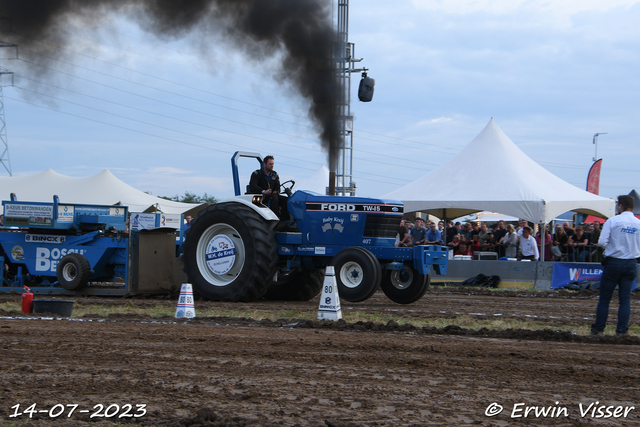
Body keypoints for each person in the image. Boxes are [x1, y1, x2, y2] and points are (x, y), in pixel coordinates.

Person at [591, 195, 640, 336]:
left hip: (614, 262)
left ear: (620, 206)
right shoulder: (638, 223)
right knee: (625, 300)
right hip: (631, 263)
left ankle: (598, 329)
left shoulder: (613, 221)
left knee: (605, 299)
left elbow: (601, 242)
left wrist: (611, 248)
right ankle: (622, 331)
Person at [248, 155, 288, 220]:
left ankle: (285, 220)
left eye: (272, 164)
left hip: (272, 195)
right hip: (261, 196)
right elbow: (253, 186)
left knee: (286, 200)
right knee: (274, 198)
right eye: (270, 164)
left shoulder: (274, 174)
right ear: (264, 164)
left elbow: (277, 186)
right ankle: (276, 219)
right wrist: (264, 191)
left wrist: (276, 190)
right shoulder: (257, 174)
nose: (272, 165)